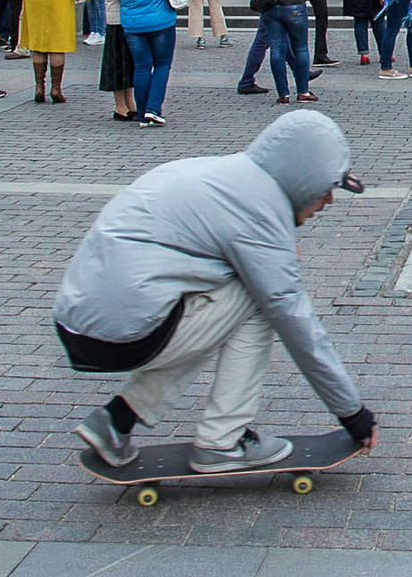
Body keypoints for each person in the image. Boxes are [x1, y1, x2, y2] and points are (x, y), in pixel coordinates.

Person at [56, 110, 379, 471]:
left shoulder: (222, 174)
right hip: (123, 333)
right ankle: (221, 443)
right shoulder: (256, 207)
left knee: (223, 305)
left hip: (80, 322)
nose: (328, 203)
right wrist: (351, 412)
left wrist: (275, 247)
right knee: (257, 301)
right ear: (302, 179)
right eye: (326, 190)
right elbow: (295, 321)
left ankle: (117, 421)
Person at [94, 0, 178, 126]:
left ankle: (141, 114)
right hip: (161, 19)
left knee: (141, 67)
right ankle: (153, 108)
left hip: (132, 21)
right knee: (162, 65)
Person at [89, 0, 137, 121]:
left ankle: (129, 101)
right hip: (116, 12)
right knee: (118, 61)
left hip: (124, 12)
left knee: (127, 61)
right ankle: (120, 105)